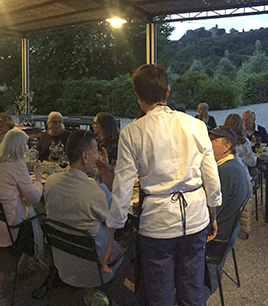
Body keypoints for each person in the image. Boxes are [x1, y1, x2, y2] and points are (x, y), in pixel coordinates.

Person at [102, 64, 222, 306]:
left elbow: (122, 190)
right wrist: (214, 213)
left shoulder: (132, 132)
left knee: (159, 293)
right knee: (192, 285)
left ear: (137, 96)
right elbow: (212, 177)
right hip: (196, 217)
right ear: (167, 91)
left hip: (157, 224)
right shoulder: (196, 125)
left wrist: (111, 236)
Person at [44, 130, 124, 287]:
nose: (97, 157)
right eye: (95, 153)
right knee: (131, 243)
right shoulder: (96, 192)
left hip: (63, 261)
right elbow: (115, 219)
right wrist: (106, 174)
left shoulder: (50, 182)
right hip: (94, 270)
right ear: (85, 156)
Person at [0, 128, 44, 274]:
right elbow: (34, 198)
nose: (26, 148)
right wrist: (38, 178)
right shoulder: (17, 164)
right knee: (40, 216)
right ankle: (23, 263)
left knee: (30, 205)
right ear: (19, 146)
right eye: (25, 144)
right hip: (9, 219)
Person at [205, 126, 250, 298]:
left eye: (213, 141)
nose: (208, 145)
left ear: (227, 146)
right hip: (230, 230)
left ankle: (194, 292)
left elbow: (210, 212)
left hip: (218, 238)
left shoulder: (224, 171)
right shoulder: (233, 165)